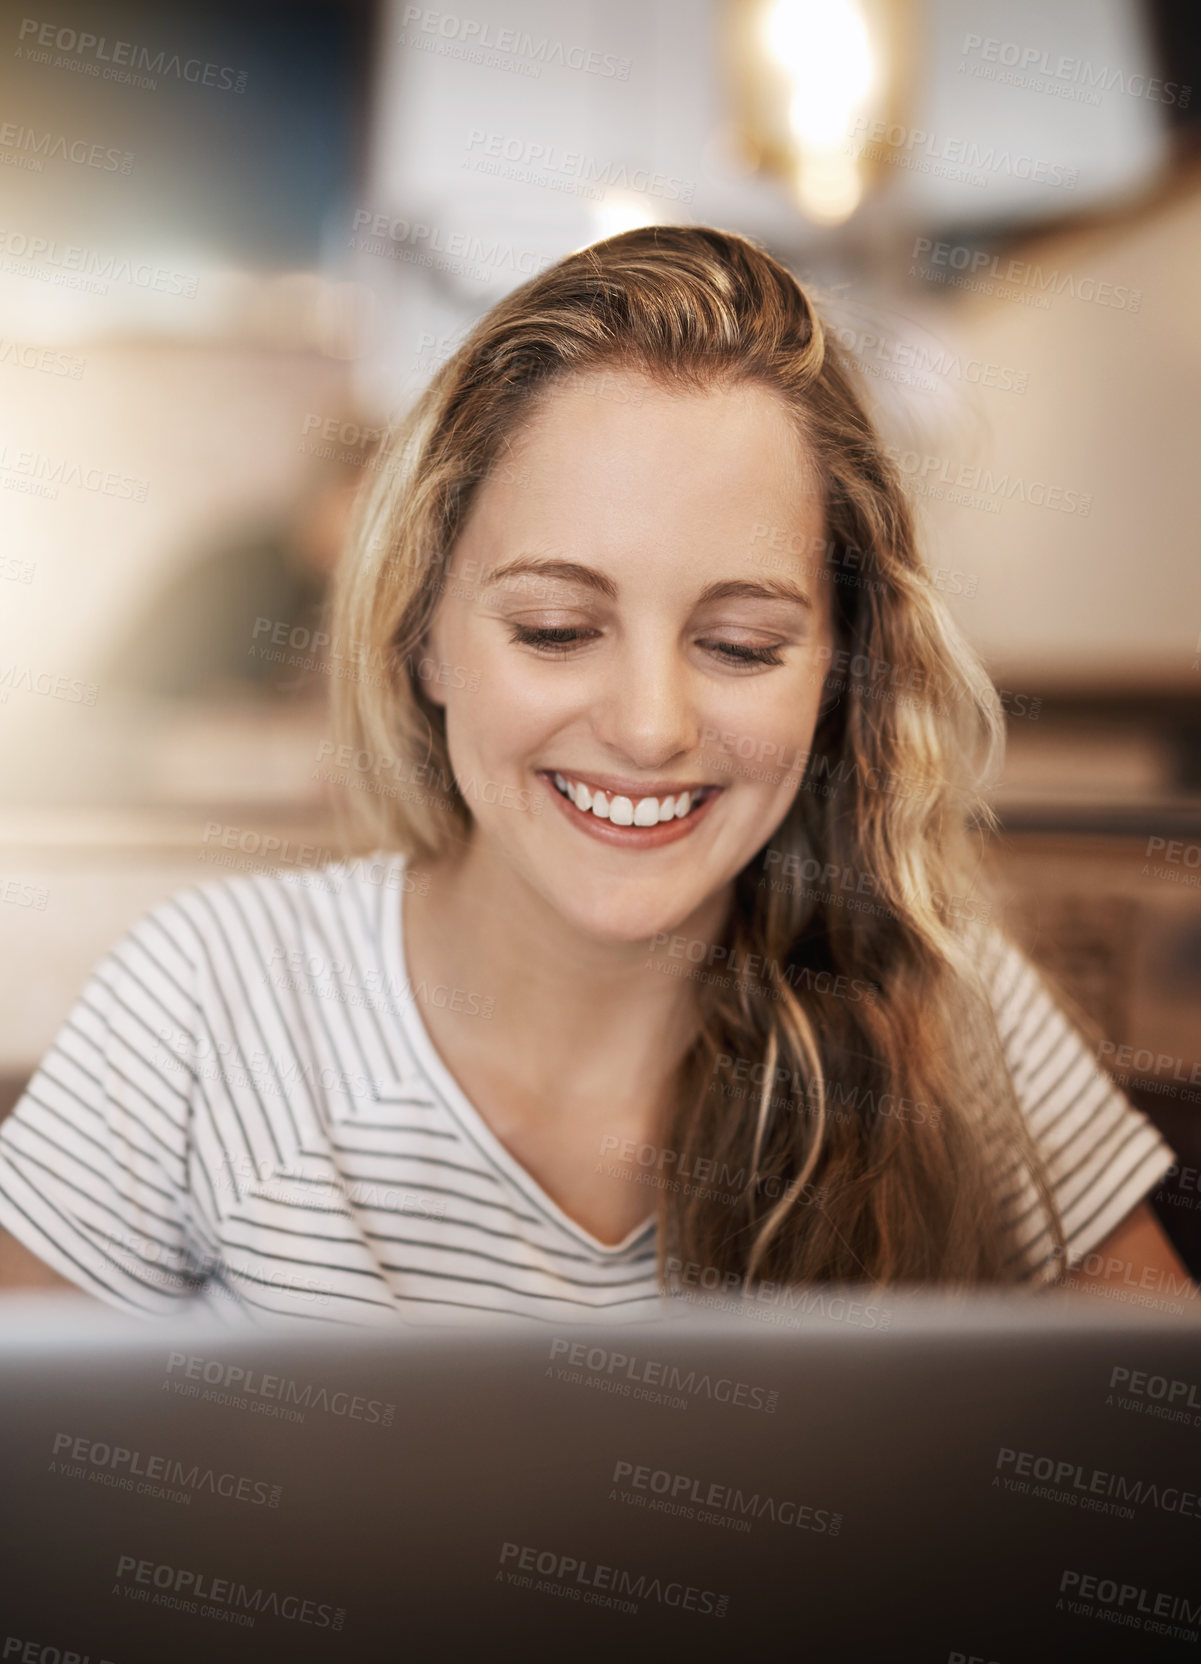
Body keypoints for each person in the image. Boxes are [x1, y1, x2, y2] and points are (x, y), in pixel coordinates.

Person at [0, 225, 1190, 1323]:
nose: (650, 726)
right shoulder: (204, 1007)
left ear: (838, 672)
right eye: (558, 629)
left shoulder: (945, 1012)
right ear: (422, 636)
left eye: (739, 646)